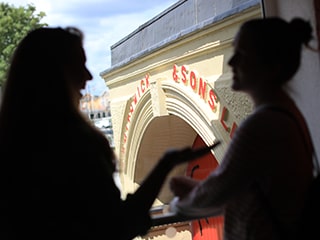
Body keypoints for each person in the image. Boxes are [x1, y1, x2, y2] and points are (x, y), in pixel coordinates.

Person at [0, 26, 212, 240]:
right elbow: (116, 225)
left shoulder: (14, 144)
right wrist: (164, 166)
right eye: (78, 65)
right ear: (55, 75)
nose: (89, 76)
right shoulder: (75, 145)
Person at [169, 17, 316, 240]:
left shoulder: (260, 126)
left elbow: (214, 195)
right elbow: (238, 186)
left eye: (243, 54)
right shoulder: (288, 115)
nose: (232, 62)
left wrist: (176, 203)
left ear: (272, 67)